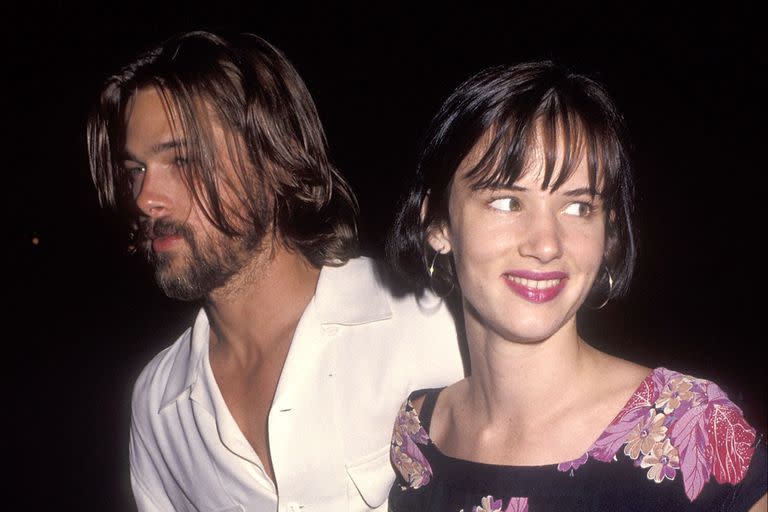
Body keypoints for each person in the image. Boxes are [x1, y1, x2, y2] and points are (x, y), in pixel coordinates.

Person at [87, 31, 464, 511]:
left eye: (181, 160)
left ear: (272, 155)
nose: (144, 199)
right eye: (135, 170)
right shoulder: (157, 405)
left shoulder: (430, 324)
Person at [386, 61, 767, 511]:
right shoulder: (414, 437)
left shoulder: (695, 431)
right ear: (438, 224)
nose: (546, 245)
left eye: (578, 207)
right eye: (507, 202)